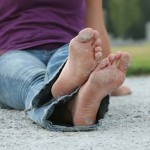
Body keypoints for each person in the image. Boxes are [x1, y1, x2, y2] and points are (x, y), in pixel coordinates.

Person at [0, 0, 131, 131]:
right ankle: (72, 101)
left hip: (71, 51)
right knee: (30, 76)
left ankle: (66, 91)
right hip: (15, 51)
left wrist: (106, 72)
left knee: (62, 66)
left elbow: (96, 27)